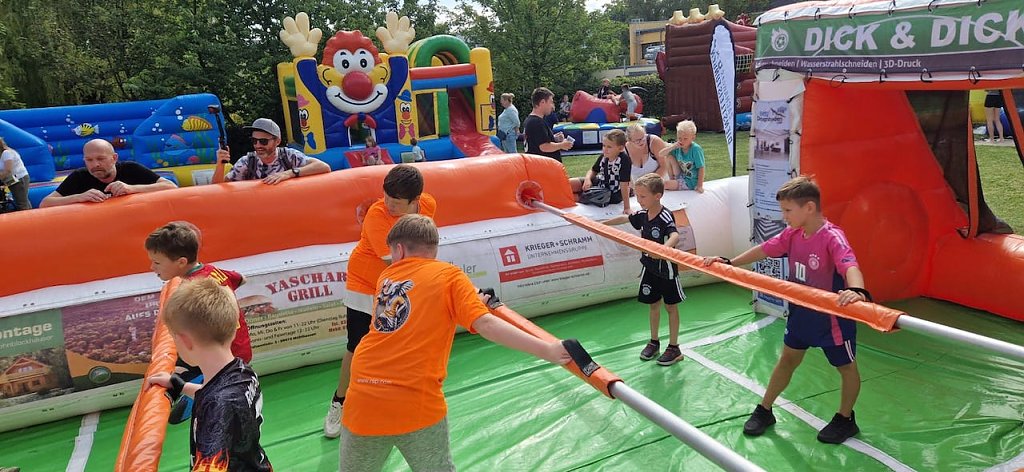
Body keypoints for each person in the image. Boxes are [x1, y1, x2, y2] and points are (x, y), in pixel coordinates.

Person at [339, 214, 571, 471]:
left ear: (399, 250)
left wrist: (469, 301)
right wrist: (549, 350)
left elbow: (417, 307)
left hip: (363, 397)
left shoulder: (387, 276)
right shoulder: (450, 276)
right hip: (415, 401)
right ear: (434, 249)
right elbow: (486, 324)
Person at [702, 176, 868, 444]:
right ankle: (765, 409)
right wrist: (731, 263)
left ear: (809, 208)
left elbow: (850, 265)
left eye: (788, 210)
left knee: (846, 368)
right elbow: (764, 250)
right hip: (801, 314)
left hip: (831, 321)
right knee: (787, 359)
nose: (784, 216)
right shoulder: (793, 234)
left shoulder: (832, 237)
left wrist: (857, 291)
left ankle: (845, 418)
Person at [324, 164, 437, 439]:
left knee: (398, 345)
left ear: (414, 201)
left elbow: (420, 251)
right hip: (365, 284)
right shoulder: (376, 215)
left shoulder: (428, 205)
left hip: (400, 284)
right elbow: (397, 262)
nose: (388, 203)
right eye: (386, 196)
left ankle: (392, 399)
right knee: (357, 345)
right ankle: (340, 401)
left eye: (396, 201)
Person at [145, 278, 272, 471]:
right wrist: (180, 385)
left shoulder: (218, 407)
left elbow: (210, 465)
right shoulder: (242, 371)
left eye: (173, 337)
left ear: (185, 341)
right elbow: (211, 393)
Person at [144, 221, 253, 424]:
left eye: (157, 263)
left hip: (224, 353)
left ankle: (194, 386)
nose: (152, 267)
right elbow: (241, 278)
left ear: (181, 262)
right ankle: (191, 383)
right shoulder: (213, 271)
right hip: (239, 346)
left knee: (192, 372)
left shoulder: (191, 289)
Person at [602, 173, 684, 365]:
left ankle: (674, 347)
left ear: (657, 196)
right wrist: (600, 225)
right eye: (637, 196)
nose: (639, 200)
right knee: (653, 305)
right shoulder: (643, 214)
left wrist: (663, 250)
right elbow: (625, 218)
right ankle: (654, 342)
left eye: (643, 196)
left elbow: (675, 235)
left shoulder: (664, 216)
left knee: (670, 307)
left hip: (666, 269)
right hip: (649, 268)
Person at [39, 139, 177, 208]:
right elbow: (45, 203)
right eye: (89, 160)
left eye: (100, 159)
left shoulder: (131, 169)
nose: (95, 165)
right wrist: (79, 197)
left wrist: (131, 189)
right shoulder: (79, 176)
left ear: (114, 158)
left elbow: (171, 186)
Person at [213, 118, 330, 184]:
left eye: (263, 141)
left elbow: (323, 167)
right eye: (254, 140)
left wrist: (288, 174)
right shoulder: (247, 162)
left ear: (277, 141)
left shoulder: (288, 156)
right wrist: (220, 164)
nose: (258, 145)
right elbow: (217, 190)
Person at [569, 129, 632, 213]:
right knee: (569, 183)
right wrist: (587, 180)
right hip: (600, 182)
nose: (605, 149)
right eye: (604, 146)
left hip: (612, 193)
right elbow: (593, 170)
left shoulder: (624, 160)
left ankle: (558, 200)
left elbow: (624, 184)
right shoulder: (604, 156)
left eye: (609, 147)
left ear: (620, 148)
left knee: (573, 196)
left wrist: (627, 207)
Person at [523, 87, 573, 162]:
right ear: (542, 102)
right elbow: (544, 147)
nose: (552, 106)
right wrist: (562, 145)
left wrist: (553, 138)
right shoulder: (536, 122)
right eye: (551, 102)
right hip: (542, 166)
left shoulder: (531, 120)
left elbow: (537, 142)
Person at [661, 120, 705, 193]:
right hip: (681, 175)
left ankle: (673, 183)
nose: (682, 141)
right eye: (679, 138)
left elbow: (701, 168)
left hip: (690, 181)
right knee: (669, 157)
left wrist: (699, 186)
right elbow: (661, 154)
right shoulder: (678, 146)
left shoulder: (696, 149)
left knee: (664, 184)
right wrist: (673, 146)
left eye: (685, 139)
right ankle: (672, 180)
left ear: (693, 138)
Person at [0, 137, 31, 211]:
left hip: (19, 178)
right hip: (11, 180)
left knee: (21, 202)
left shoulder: (6, 153)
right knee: (23, 200)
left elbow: (8, 170)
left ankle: (26, 216)